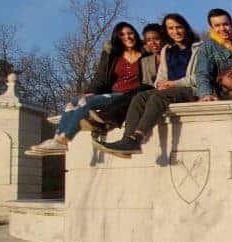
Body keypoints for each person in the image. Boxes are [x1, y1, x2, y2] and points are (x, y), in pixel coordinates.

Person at [27, 21, 150, 156]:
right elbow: (101, 77)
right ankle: (58, 139)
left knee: (86, 103)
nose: (127, 37)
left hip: (128, 95)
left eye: (130, 33)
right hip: (113, 93)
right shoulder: (113, 56)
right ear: (118, 38)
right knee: (74, 101)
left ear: (135, 34)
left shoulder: (145, 53)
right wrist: (90, 92)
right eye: (122, 35)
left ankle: (64, 139)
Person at [95, 13, 203, 157]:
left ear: (185, 28)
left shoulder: (199, 48)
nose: (175, 32)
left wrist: (173, 83)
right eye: (170, 28)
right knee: (140, 97)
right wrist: (160, 83)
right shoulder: (167, 50)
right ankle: (127, 141)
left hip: (191, 89)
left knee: (157, 98)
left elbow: (200, 76)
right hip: (169, 89)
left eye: (179, 27)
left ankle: (137, 138)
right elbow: (162, 75)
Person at [194, 8, 232, 102]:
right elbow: (203, 73)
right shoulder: (208, 47)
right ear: (212, 28)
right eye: (217, 25)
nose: (222, 29)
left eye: (226, 24)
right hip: (224, 92)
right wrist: (206, 94)